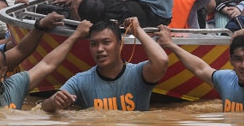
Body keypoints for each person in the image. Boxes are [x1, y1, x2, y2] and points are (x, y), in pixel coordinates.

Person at [41, 18, 169, 112]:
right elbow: (43, 107)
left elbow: (162, 61)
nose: (99, 49)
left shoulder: (138, 73)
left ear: (120, 44)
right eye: (94, 44)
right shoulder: (81, 81)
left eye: (106, 42)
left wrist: (138, 31)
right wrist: (54, 102)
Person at [155, 23, 244, 112]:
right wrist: (171, 45)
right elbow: (200, 68)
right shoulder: (226, 80)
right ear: (230, 61)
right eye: (238, 59)